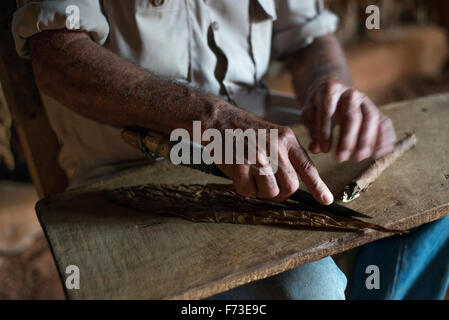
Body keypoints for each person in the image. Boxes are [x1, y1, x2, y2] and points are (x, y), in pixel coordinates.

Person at [12, 0, 449, 299]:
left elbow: (310, 39)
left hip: (272, 148)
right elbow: (57, 57)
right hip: (138, 167)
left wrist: (328, 87)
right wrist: (212, 119)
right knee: (308, 291)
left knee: (434, 219)